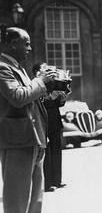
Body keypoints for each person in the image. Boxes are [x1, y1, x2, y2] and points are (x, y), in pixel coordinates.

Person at [0, 27, 57, 213]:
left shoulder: (18, 68)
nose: (30, 48)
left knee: (35, 189)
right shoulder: (3, 68)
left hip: (32, 137)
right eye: (26, 43)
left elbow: (32, 99)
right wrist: (40, 81)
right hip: (16, 139)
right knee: (16, 193)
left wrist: (52, 92)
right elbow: (17, 98)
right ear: (12, 43)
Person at [33, 62, 67, 192]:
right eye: (44, 68)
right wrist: (52, 98)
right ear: (37, 72)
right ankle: (47, 184)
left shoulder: (51, 84)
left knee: (56, 150)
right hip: (44, 122)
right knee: (46, 154)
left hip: (55, 122)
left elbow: (57, 104)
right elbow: (40, 102)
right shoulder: (36, 84)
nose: (48, 70)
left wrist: (62, 98)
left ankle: (57, 180)